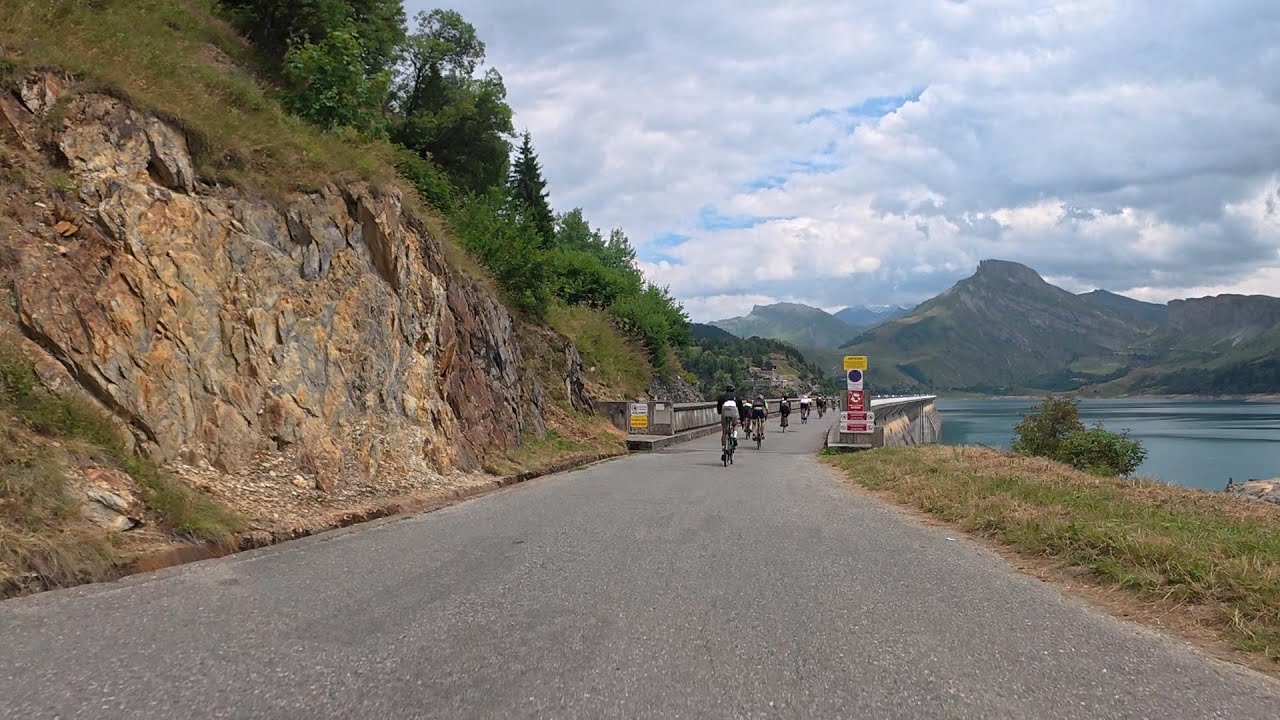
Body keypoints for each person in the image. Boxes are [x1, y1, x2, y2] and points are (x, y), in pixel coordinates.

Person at [715, 384, 740, 459]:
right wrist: (742, 420)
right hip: (733, 411)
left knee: (724, 432)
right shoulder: (736, 397)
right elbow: (741, 409)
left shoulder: (722, 396)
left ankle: (723, 448)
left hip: (725, 411)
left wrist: (720, 412)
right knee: (735, 425)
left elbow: (719, 406)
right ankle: (734, 437)